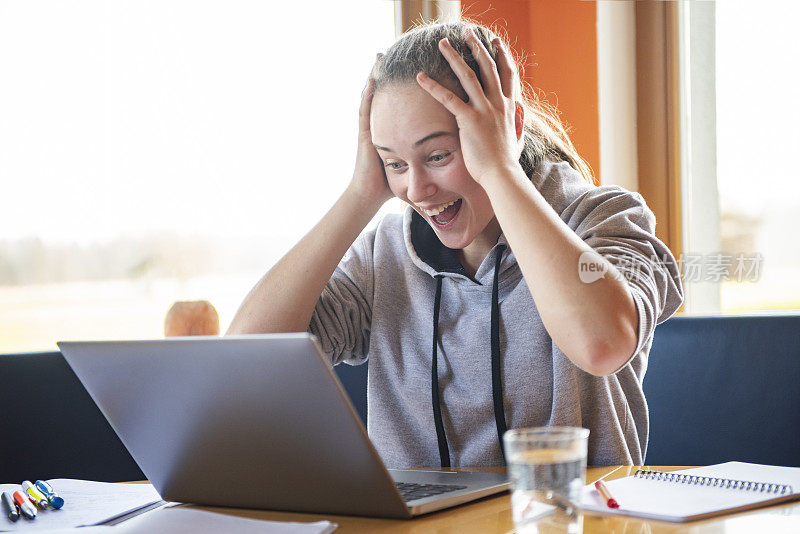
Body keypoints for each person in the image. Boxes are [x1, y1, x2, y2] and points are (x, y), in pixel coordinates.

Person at [227, 20, 683, 468]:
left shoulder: (608, 218)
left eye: (438, 155)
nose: (417, 190)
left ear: (508, 128)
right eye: (396, 164)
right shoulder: (383, 254)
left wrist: (500, 171)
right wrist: (359, 196)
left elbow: (601, 344)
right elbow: (245, 362)